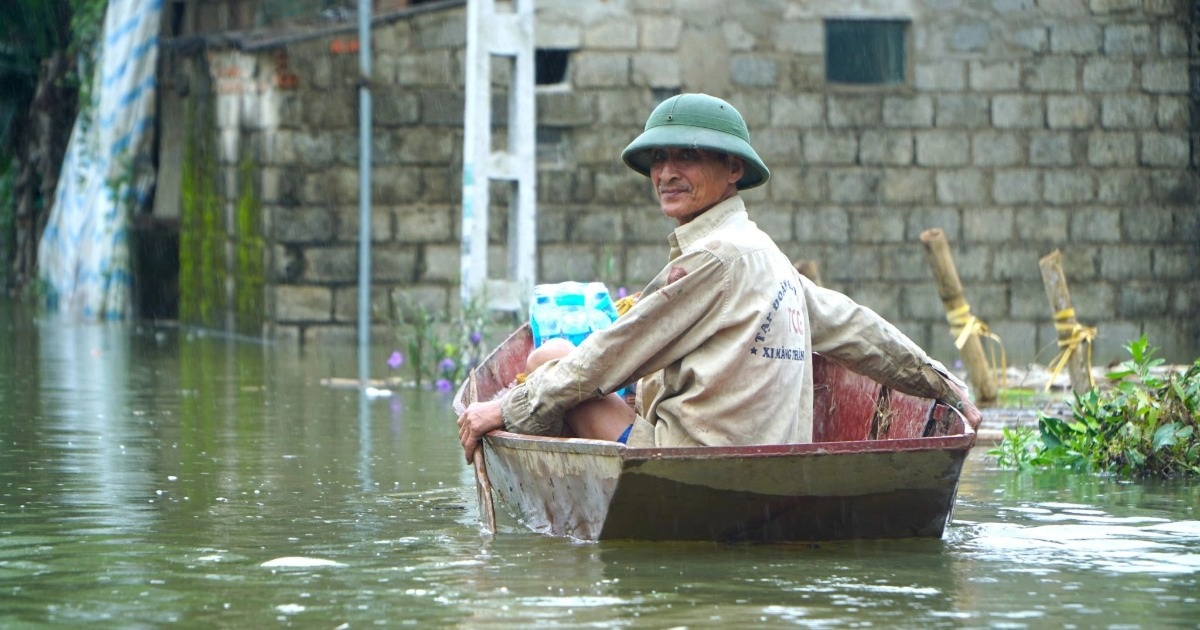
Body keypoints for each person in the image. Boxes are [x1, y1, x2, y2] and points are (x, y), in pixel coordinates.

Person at [457, 93, 981, 462]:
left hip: (690, 462)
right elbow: (859, 331)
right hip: (775, 459)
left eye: (687, 155)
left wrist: (504, 409)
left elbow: (608, 357)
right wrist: (949, 386)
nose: (665, 172)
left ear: (734, 169)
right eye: (659, 158)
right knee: (550, 362)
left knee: (552, 369)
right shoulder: (764, 253)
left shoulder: (713, 259)